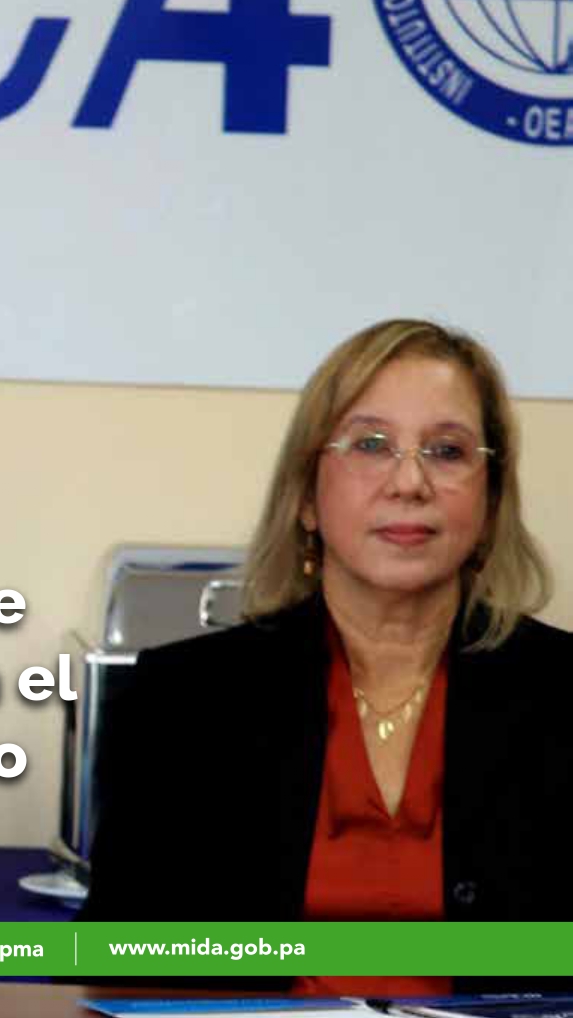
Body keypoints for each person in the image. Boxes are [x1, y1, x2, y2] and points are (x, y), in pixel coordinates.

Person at [83, 318, 572, 992]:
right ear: (306, 497)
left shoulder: (562, 695)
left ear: (489, 503)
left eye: (447, 451)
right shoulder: (181, 701)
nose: (409, 481)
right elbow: (116, 967)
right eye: (370, 444)